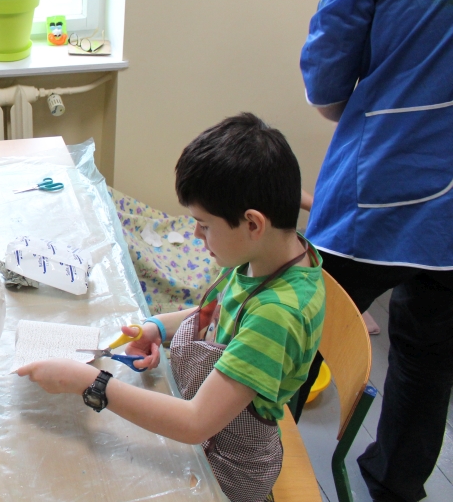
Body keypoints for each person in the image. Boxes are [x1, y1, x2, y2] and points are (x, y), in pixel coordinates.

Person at [19, 114, 326, 502]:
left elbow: (196, 423)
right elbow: (218, 312)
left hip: (227, 466)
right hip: (208, 419)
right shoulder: (266, 254)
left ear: (253, 223)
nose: (196, 234)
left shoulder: (278, 316)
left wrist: (88, 382)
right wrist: (157, 328)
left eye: (204, 225)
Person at [299, 0, 453, 499]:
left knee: (294, 332)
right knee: (428, 357)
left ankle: (244, 462)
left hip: (379, 188)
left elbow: (326, 81)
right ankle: (393, 487)